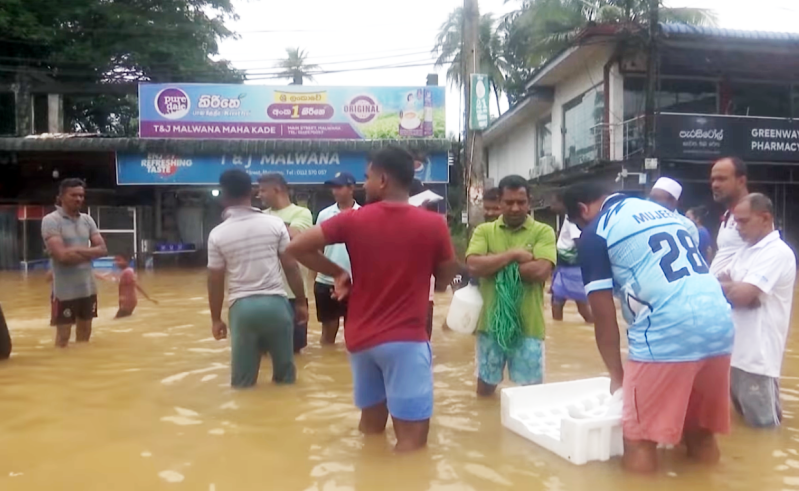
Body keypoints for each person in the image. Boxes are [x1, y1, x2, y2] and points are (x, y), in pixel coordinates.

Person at [286, 146, 458, 452]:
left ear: (383, 179)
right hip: (406, 341)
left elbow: (296, 247)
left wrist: (338, 273)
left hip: (361, 341)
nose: (364, 184)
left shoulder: (352, 220)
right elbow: (445, 278)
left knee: (371, 428)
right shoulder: (433, 225)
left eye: (367, 177)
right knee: (412, 442)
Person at [562, 182, 734, 473]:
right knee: (700, 432)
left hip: (666, 332)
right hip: (720, 322)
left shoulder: (596, 233)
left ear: (582, 210)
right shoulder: (661, 212)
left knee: (639, 438)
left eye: (578, 224)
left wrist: (618, 377)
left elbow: (602, 316)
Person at [207, 169, 308, 388]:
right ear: (251, 192)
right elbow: (291, 267)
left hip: (243, 310)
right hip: (278, 306)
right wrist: (301, 301)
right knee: (286, 379)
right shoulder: (274, 225)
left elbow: (215, 281)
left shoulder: (217, 234)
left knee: (242, 384)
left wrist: (216, 318)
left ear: (223, 196)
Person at [465, 175, 556, 396]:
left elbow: (541, 271)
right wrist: (514, 255)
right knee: (484, 392)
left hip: (529, 327)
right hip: (490, 327)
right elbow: (474, 266)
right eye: (509, 202)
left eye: (521, 202)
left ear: (529, 202)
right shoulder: (484, 231)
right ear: (500, 202)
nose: (515, 208)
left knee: (531, 396)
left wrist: (493, 262)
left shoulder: (543, 232)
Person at [716, 194, 796, 428]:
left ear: (765, 218)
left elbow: (741, 295)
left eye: (743, 221)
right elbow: (718, 283)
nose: (737, 228)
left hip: (757, 359)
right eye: (735, 222)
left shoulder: (777, 252)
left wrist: (741, 293)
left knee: (765, 429)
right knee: (743, 423)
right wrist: (738, 292)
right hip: (735, 354)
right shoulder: (746, 251)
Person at [42, 178, 108, 347]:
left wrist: (73, 250)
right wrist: (88, 253)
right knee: (63, 338)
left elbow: (103, 250)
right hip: (64, 291)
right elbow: (62, 257)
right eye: (73, 195)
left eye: (81, 195)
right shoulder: (51, 220)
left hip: (88, 288)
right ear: (61, 197)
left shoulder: (87, 220)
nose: (78, 199)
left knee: (85, 335)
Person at [258, 173, 313, 353]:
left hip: (293, 294)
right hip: (265, 293)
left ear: (277, 189)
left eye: (263, 190)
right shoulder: (260, 215)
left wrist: (263, 224)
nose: (259, 195)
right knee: (264, 352)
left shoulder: (302, 213)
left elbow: (294, 236)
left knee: (294, 351)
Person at [314, 172, 360, 345]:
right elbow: (317, 249)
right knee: (327, 334)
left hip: (355, 282)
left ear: (351, 188)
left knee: (354, 336)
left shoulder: (363, 214)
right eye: (333, 187)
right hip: (326, 281)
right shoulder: (324, 214)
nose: (335, 191)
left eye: (339, 187)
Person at [550, 193, 592, 323]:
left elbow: (578, 241)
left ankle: (595, 325)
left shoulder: (572, 218)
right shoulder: (570, 217)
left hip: (570, 265)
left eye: (555, 202)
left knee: (580, 303)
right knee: (557, 300)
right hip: (564, 264)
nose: (552, 206)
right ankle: (559, 330)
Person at [710, 157, 749, 277]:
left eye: (722, 179)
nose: (715, 185)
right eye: (713, 179)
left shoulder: (753, 215)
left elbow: (766, 257)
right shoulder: (728, 215)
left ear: (741, 181)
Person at [648, 177, 700, 245]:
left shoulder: (686, 226)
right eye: (650, 199)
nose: (650, 203)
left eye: (656, 199)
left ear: (673, 203)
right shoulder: (642, 220)